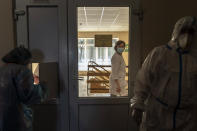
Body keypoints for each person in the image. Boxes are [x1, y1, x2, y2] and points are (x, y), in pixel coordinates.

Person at [130, 16, 197, 131]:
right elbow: (143, 81)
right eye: (184, 31)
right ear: (176, 31)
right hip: (158, 115)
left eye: (191, 32)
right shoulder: (159, 54)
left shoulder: (194, 58)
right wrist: (138, 106)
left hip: (187, 118)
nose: (187, 35)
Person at [0, 46, 41, 131]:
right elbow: (28, 97)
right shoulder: (22, 70)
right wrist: (41, 87)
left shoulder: (2, 69)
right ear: (25, 59)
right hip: (16, 119)